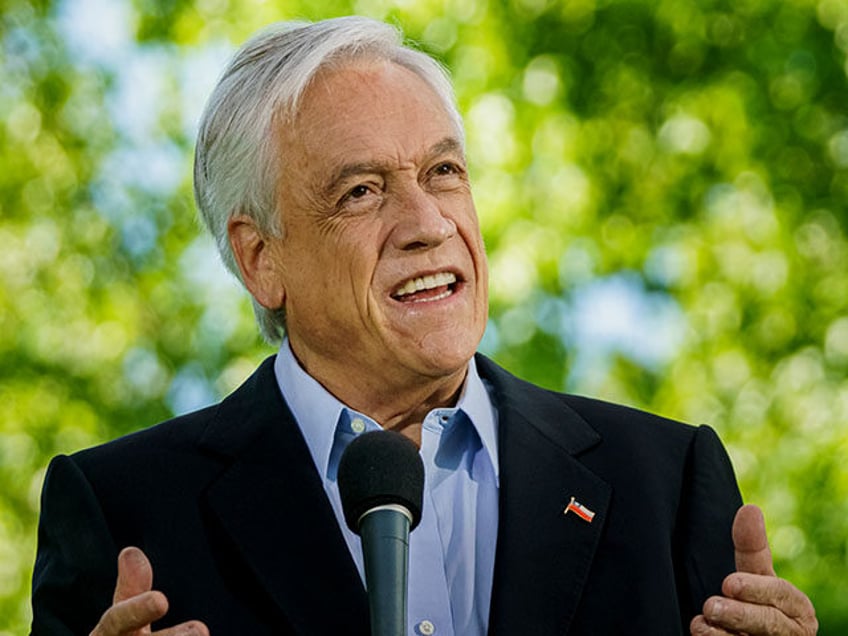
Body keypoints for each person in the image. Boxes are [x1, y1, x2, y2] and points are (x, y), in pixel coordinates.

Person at [30, 16, 817, 636]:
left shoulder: (665, 480)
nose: (428, 223)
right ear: (260, 258)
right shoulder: (123, 510)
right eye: (363, 192)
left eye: (443, 172)